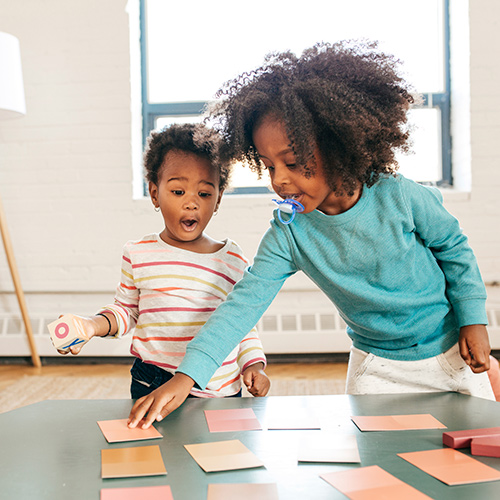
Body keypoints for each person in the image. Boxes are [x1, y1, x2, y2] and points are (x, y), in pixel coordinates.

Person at [128, 41, 495, 429]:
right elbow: (242, 306)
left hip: (451, 350)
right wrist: (187, 377)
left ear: (337, 146)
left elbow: (452, 247)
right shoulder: (290, 232)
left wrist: (474, 319)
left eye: (293, 161)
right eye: (268, 166)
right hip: (376, 368)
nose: (280, 180)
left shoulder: (399, 195)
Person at [58, 123, 270, 400]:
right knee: (151, 443)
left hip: (218, 389)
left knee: (218, 445)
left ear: (218, 200)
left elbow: (241, 322)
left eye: (204, 194)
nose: (191, 203)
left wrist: (254, 364)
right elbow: (127, 312)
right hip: (152, 381)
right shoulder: (138, 253)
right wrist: (91, 325)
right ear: (155, 194)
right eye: (178, 192)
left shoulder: (231, 259)